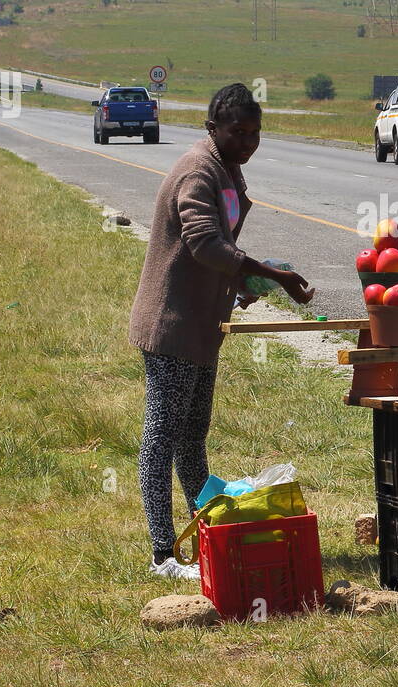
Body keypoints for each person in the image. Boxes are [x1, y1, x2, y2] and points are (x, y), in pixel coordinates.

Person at [128, 82, 313, 579]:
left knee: (193, 434)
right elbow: (204, 244)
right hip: (172, 324)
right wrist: (271, 274)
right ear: (212, 128)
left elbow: (220, 251)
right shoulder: (198, 170)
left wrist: (244, 278)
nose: (248, 143)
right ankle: (163, 553)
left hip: (202, 324)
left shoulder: (227, 170)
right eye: (237, 132)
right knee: (162, 437)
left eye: (255, 134)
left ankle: (203, 532)